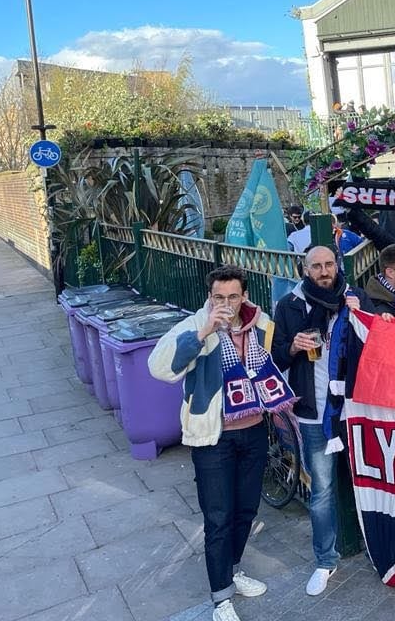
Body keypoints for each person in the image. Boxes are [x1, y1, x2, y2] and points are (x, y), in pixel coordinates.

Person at [149, 266, 295, 621]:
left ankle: (232, 570)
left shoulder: (259, 324)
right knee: (218, 517)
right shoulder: (194, 326)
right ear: (209, 297)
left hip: (254, 431)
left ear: (243, 295)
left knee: (246, 510)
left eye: (233, 297)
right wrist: (204, 332)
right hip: (213, 437)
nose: (226, 305)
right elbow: (160, 368)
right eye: (219, 297)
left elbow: (272, 368)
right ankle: (220, 597)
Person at [271, 245, 372, 597]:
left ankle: (376, 548)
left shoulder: (354, 296)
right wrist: (294, 348)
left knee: (370, 483)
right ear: (304, 268)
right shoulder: (290, 305)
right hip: (315, 415)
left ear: (337, 265)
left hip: (357, 408)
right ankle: (324, 560)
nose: (324, 270)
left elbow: (379, 345)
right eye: (316, 266)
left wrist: (362, 320)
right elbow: (276, 358)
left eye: (329, 264)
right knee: (323, 490)